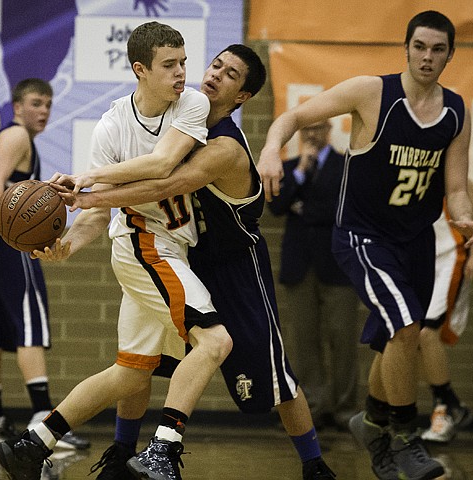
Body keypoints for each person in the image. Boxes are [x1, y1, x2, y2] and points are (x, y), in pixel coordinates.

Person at [65, 44, 335, 480]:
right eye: (215, 65)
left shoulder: (226, 144)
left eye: (230, 75)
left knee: (275, 376)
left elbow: (165, 181)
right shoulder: (181, 114)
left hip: (237, 266)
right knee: (143, 361)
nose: (214, 75)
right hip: (187, 257)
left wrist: (89, 193)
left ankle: (315, 466)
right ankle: (123, 453)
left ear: (242, 96)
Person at [0, 22, 233, 480]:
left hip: (171, 247)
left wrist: (88, 180)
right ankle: (163, 449)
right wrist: (68, 246)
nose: (182, 72)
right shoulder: (111, 126)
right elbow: (98, 217)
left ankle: (31, 445)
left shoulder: (192, 104)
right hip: (144, 244)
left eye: (183, 62)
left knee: (129, 374)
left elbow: (163, 166)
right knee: (216, 340)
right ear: (140, 70)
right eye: (169, 65)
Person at [256, 10, 473, 480]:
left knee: (392, 343)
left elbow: (457, 186)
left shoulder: (455, 112)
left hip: (416, 240)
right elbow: (295, 116)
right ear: (405, 47)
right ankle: (403, 438)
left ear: (450, 54)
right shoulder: (371, 92)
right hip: (363, 237)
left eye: (438, 49)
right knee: (406, 329)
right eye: (419, 46)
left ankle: (372, 420)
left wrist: (466, 220)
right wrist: (269, 150)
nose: (427, 56)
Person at [0, 78, 89, 452]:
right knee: (28, 324)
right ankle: (41, 420)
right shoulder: (16, 135)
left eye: (48, 104)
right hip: (6, 238)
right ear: (17, 106)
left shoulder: (17, 137)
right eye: (36, 103)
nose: (44, 111)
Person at [267, 120, 360, 431]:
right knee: (305, 340)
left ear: (329, 130)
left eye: (317, 128)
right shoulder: (290, 166)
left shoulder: (345, 165)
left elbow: (342, 209)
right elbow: (278, 206)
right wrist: (300, 172)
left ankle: (345, 409)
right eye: (306, 129)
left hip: (338, 266)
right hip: (299, 266)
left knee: (343, 339)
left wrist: (304, 208)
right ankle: (314, 407)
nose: (311, 133)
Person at [418, 181, 473, 443]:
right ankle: (447, 408)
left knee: (427, 333)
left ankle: (446, 406)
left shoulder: (441, 146)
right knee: (410, 338)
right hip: (421, 254)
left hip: (451, 255)